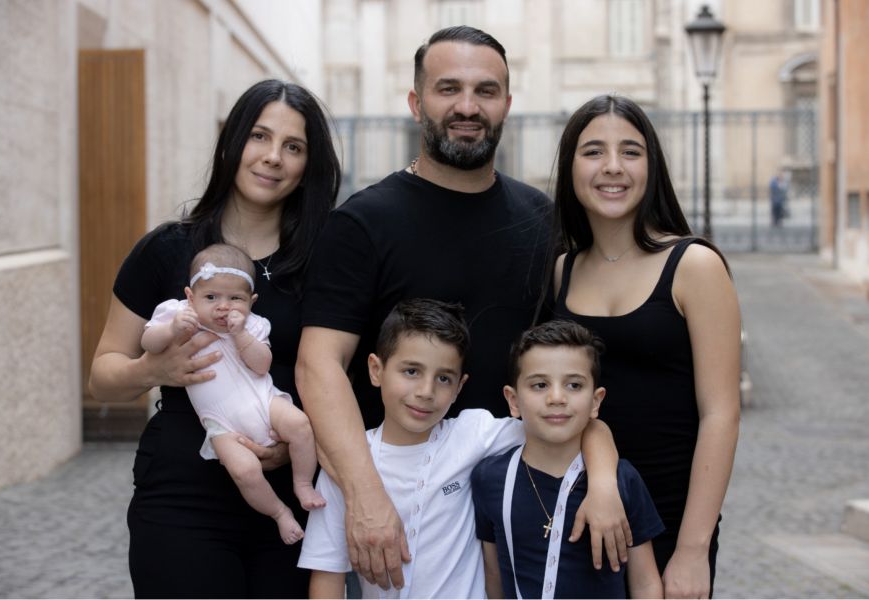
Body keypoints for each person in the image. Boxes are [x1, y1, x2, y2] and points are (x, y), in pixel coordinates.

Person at [295, 26, 630, 591]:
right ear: (415, 101)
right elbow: (318, 364)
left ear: (507, 104)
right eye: (448, 88)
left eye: (486, 90)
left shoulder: (542, 222)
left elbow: (573, 370)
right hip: (398, 513)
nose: (468, 106)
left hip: (524, 509)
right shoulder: (362, 224)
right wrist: (364, 493)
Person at [88, 79, 341, 598]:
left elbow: (346, 377)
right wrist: (150, 371)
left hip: (295, 507)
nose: (273, 157)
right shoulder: (166, 249)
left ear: (307, 166)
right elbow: (103, 377)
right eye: (258, 137)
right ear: (231, 144)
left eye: (293, 147)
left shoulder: (329, 260)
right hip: (183, 499)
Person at [547, 94, 741, 598]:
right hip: (585, 511)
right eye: (593, 152)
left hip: (674, 515)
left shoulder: (694, 265)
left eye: (631, 152)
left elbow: (721, 413)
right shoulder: (561, 271)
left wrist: (695, 549)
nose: (613, 167)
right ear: (570, 166)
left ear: (652, 166)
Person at [298, 298, 531, 598]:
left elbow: (561, 429)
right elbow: (327, 574)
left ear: (460, 386)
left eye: (444, 378)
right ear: (376, 370)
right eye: (411, 371)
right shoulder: (348, 462)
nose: (426, 392)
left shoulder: (474, 433)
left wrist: (604, 479)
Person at [141, 243, 325, 544]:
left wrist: (240, 334)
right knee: (245, 471)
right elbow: (149, 343)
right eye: (211, 297)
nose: (223, 307)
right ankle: (279, 513)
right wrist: (172, 330)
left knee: (300, 425)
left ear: (251, 301)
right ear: (190, 296)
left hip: (265, 402)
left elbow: (262, 365)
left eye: (235, 299)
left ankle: (302, 484)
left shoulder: (254, 325)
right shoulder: (176, 314)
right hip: (221, 424)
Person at [472, 320, 664, 599]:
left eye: (574, 385)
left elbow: (645, 584)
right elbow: (493, 578)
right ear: (513, 400)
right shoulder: (489, 478)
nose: (557, 397)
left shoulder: (622, 480)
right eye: (539, 385)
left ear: (596, 401)